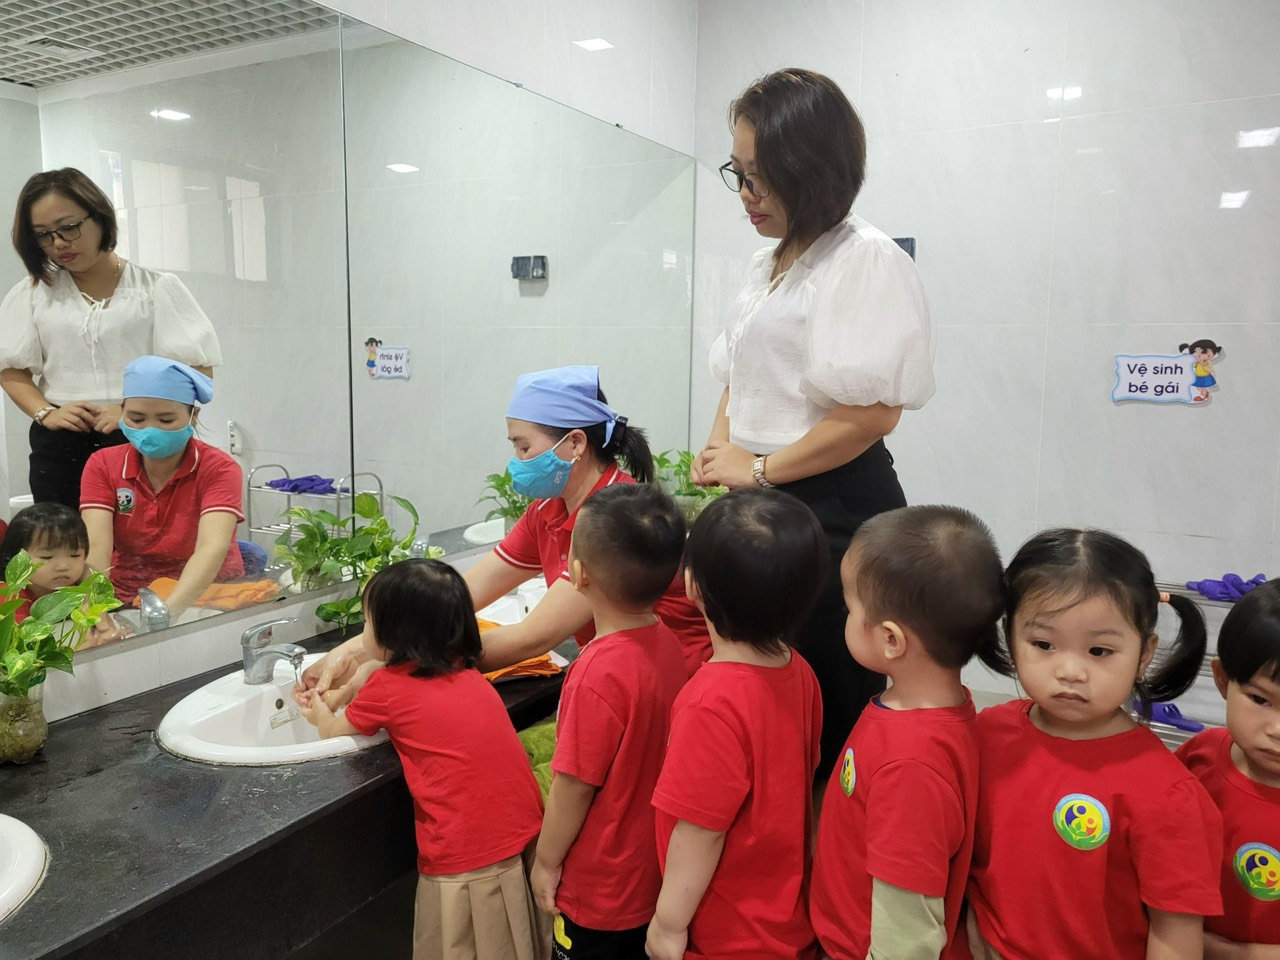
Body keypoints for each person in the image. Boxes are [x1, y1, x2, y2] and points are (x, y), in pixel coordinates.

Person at [694, 68, 935, 779]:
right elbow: (740, 371)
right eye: (738, 173)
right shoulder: (764, 262)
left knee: (829, 703)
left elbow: (872, 414)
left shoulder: (865, 260)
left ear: (813, 171)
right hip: (766, 496)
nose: (747, 194)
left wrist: (757, 468)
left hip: (832, 506)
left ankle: (828, 836)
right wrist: (721, 449)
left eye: (762, 177)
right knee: (767, 696)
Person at [300, 365, 709, 705]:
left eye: (524, 447)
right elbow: (456, 595)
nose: (516, 461)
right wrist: (349, 651)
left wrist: (396, 664)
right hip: (618, 682)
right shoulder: (547, 511)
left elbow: (531, 637)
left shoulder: (613, 521)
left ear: (575, 444)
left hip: (669, 691)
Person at [966, 529, 1223, 959]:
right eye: (1044, 644)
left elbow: (1175, 933)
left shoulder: (1169, 795)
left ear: (1144, 655)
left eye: (1100, 651)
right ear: (1011, 638)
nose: (1070, 671)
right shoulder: (988, 732)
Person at [295, 559, 548, 960]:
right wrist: (353, 687)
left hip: (466, 854)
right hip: (523, 830)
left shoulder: (387, 687)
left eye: (367, 622)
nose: (363, 632)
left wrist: (316, 712)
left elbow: (332, 731)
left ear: (395, 633)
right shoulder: (463, 668)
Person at [810, 505, 1004, 960]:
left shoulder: (911, 767)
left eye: (850, 608)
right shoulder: (921, 711)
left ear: (891, 639)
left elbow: (906, 936)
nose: (844, 616)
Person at [646, 488, 825, 960]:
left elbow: (699, 832)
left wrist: (667, 924)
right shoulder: (800, 671)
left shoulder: (709, 704)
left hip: (726, 933)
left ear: (692, 586)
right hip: (783, 918)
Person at [529, 484, 688, 959]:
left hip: (599, 887)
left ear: (577, 574)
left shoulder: (597, 674)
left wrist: (546, 861)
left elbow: (574, 785)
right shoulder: (668, 644)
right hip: (651, 871)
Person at [1, 168, 221, 509]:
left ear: (99, 216)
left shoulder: (155, 288)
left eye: (69, 227)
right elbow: (11, 369)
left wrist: (129, 414)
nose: (58, 243)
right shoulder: (32, 292)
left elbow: (197, 371)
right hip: (59, 444)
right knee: (63, 537)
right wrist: (45, 413)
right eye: (43, 235)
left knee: (139, 535)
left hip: (139, 436)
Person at [80, 356, 243, 619]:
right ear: (122, 414)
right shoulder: (103, 465)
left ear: (193, 417)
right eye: (136, 418)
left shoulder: (219, 468)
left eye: (166, 420)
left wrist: (166, 614)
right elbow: (97, 546)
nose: (150, 430)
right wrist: (93, 609)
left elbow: (212, 546)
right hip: (127, 593)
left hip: (207, 596)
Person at [1177, 578, 1280, 958]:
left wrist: (1229, 953)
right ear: (1223, 681)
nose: (1277, 729)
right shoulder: (1198, 756)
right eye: (1259, 699)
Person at [0, 501, 126, 645]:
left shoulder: (81, 589)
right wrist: (85, 648)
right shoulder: (10, 597)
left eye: (74, 555)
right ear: (16, 558)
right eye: (47, 557)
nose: (63, 566)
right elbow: (20, 649)